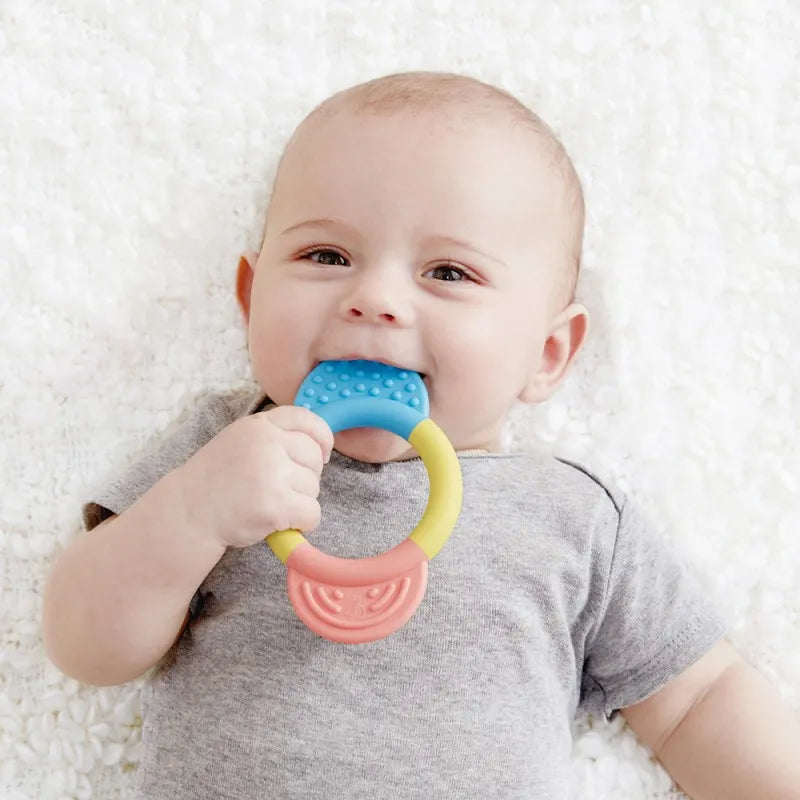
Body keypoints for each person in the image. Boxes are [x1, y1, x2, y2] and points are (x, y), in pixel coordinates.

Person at [42, 71, 800, 799]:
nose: (374, 298)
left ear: (545, 354)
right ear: (250, 297)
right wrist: (192, 512)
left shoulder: (573, 518)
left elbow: (700, 696)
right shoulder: (224, 449)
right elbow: (85, 645)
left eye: (448, 273)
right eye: (326, 256)